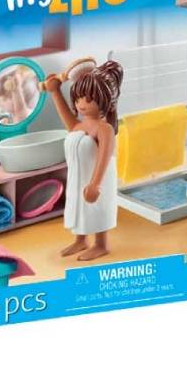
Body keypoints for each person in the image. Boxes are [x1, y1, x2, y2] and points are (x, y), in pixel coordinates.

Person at [44, 60, 123, 261]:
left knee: (98, 208)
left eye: (88, 99)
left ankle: (101, 244)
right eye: (78, 98)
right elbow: (66, 115)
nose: (81, 104)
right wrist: (55, 91)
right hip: (78, 177)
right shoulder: (79, 126)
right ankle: (81, 240)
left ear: (104, 99)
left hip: (97, 178)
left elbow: (105, 156)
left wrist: (96, 184)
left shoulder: (104, 129)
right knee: (79, 207)